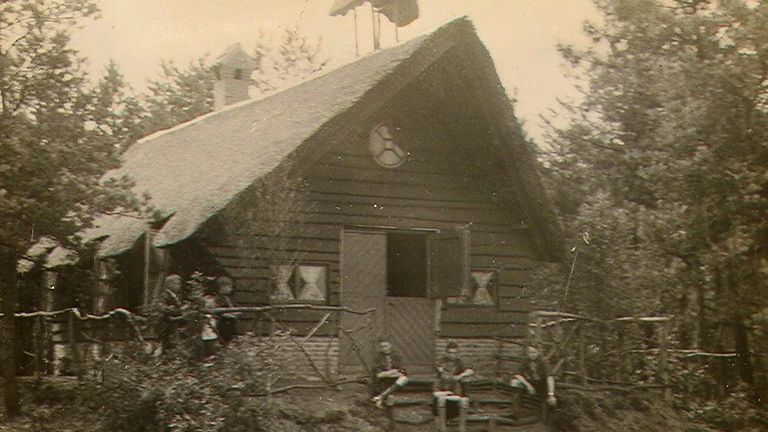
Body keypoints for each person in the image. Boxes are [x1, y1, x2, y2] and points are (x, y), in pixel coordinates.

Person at [433, 341, 474, 432]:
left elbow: (471, 370)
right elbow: (440, 370)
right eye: (450, 353)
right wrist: (445, 373)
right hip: (443, 389)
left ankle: (462, 428)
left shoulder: (459, 362)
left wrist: (460, 376)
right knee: (441, 399)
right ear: (446, 353)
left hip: (455, 388)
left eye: (455, 353)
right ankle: (443, 427)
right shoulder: (442, 361)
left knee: (464, 397)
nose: (452, 355)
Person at [371, 338, 409, 408]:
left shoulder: (396, 356)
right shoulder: (377, 358)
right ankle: (383, 397)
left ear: (390, 345)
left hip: (394, 380)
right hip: (382, 381)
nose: (384, 349)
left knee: (404, 379)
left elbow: (402, 371)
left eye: (386, 346)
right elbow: (379, 375)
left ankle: (381, 397)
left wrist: (389, 373)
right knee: (390, 398)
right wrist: (393, 371)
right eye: (382, 347)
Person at [156, 274, 185, 352]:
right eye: (176, 284)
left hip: (176, 321)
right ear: (169, 284)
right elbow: (161, 307)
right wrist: (174, 310)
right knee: (169, 340)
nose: (179, 286)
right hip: (167, 322)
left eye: (179, 284)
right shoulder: (164, 295)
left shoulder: (177, 296)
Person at [215, 275, 238, 344]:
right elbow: (218, 310)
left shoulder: (229, 298)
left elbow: (233, 307)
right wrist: (230, 314)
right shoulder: (219, 298)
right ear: (222, 287)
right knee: (225, 333)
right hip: (223, 320)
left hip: (231, 320)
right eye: (229, 286)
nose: (231, 288)